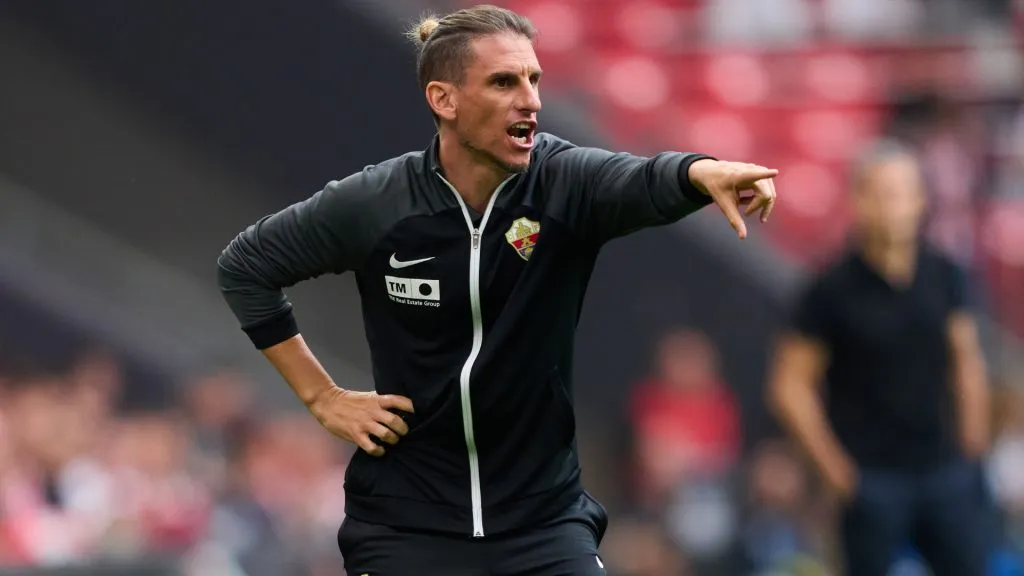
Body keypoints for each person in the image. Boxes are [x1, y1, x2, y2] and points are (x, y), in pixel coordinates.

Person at [216, 5, 778, 575]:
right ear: (444, 99)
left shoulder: (562, 182)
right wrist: (322, 396)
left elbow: (636, 179)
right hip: (405, 527)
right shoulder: (377, 203)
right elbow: (246, 267)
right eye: (504, 81)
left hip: (543, 526)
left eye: (534, 79)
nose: (530, 99)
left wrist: (699, 172)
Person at [768, 139, 991, 576]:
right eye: (882, 193)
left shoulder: (945, 273)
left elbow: (966, 359)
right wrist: (837, 472)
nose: (894, 205)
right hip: (871, 480)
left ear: (921, 201)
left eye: (903, 192)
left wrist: (972, 451)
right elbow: (789, 386)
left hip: (944, 470)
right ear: (859, 201)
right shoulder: (830, 289)